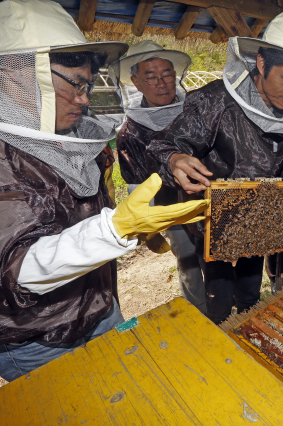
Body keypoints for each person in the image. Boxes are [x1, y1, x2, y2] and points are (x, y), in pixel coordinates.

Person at [0, 0, 208, 382]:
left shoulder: (72, 131)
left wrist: (132, 225)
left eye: (88, 84)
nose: (84, 98)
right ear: (16, 76)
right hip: (35, 339)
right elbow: (17, 268)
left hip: (101, 305)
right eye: (75, 84)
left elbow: (82, 208)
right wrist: (115, 229)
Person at [147, 10, 283, 324]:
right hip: (214, 222)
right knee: (219, 299)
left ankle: (248, 325)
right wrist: (175, 158)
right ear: (262, 64)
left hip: (261, 222)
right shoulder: (215, 102)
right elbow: (165, 144)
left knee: (251, 292)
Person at [107, 41, 207, 314]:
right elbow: (136, 184)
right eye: (151, 77)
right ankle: (200, 315)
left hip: (210, 201)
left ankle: (223, 306)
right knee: (188, 261)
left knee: (217, 261)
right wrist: (149, 228)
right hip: (170, 211)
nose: (161, 83)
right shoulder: (129, 133)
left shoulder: (199, 112)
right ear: (136, 82)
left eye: (166, 75)